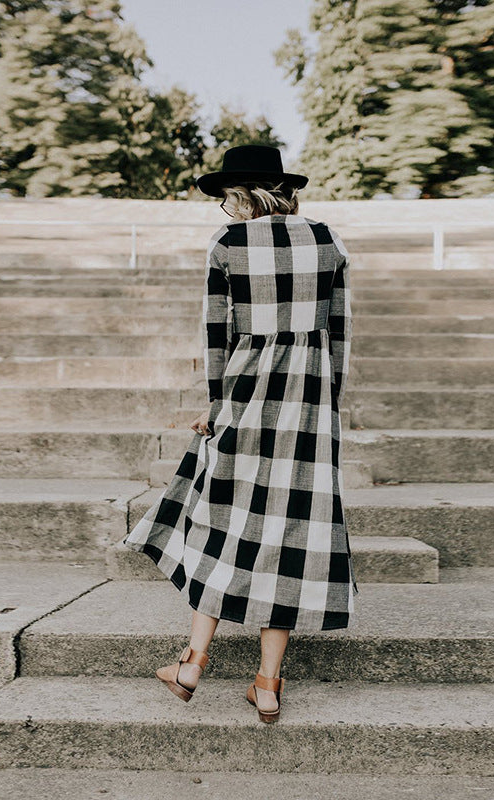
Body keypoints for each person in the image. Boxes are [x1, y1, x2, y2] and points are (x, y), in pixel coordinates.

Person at [122, 144, 356, 723]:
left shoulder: (228, 245)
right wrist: (327, 405)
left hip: (246, 395)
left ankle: (192, 663)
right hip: (308, 404)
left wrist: (216, 403)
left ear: (240, 193)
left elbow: (216, 334)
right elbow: (340, 335)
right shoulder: (327, 239)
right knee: (288, 535)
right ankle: (268, 684)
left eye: (227, 196)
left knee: (221, 524)